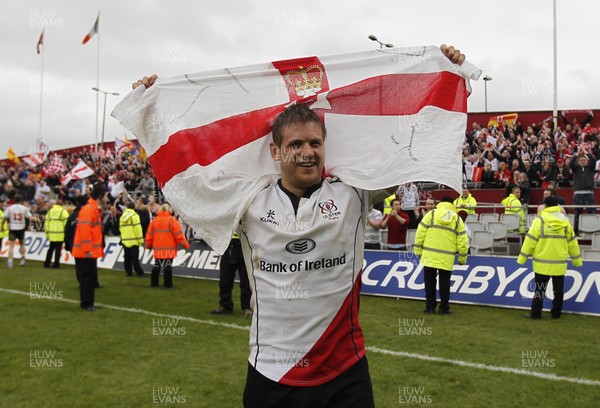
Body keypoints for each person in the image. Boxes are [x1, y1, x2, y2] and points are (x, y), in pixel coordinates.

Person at [133, 44, 467, 408]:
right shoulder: (247, 200)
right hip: (272, 374)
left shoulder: (355, 192)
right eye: (295, 144)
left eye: (314, 142)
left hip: (345, 373)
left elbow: (408, 147)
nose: (306, 151)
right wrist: (150, 110)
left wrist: (444, 73)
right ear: (276, 152)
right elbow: (185, 170)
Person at [517, 196, 582, 319]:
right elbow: (572, 242)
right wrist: (577, 261)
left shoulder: (539, 220)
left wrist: (522, 258)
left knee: (540, 290)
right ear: (557, 206)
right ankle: (556, 313)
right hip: (559, 263)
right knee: (558, 290)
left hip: (542, 263)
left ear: (545, 206)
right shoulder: (565, 221)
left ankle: (536, 314)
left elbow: (530, 241)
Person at [414, 196, 469, 315]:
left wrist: (418, 250)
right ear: (452, 204)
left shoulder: (431, 214)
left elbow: (420, 232)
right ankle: (444, 307)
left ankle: (430, 307)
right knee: (444, 283)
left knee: (429, 282)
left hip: (430, 255)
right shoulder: (457, 219)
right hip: (447, 257)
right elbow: (463, 241)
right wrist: (462, 258)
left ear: (440, 203)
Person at [72, 185, 107, 312]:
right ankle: (87, 303)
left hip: (88, 251)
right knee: (87, 278)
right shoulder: (89, 209)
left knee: (90, 278)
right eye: (105, 196)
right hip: (85, 251)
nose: (107, 198)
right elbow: (84, 231)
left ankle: (88, 302)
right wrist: (87, 250)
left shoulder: (92, 209)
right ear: (100, 196)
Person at [145, 203, 189, 288]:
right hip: (169, 249)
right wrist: (186, 245)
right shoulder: (172, 221)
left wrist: (148, 246)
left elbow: (149, 235)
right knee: (167, 266)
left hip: (158, 249)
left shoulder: (154, 221)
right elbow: (179, 236)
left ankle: (154, 283)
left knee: (157, 265)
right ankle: (168, 284)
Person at [210, 234, 252, 317]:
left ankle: (247, 307)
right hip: (228, 243)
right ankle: (225, 305)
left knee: (246, 280)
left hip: (245, 242)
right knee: (225, 278)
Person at [570, 146, 596, 233]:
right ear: (578, 162)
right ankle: (576, 231)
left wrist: (585, 152)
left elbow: (593, 160)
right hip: (578, 194)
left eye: (584, 160)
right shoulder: (576, 169)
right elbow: (571, 163)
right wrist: (577, 154)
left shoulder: (591, 168)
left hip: (589, 193)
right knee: (577, 213)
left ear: (587, 161)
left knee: (591, 213)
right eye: (581, 160)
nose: (583, 161)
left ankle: (592, 230)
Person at [4, 195, 31, 268]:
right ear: (21, 201)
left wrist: (2, 226)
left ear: (14, 200)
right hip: (21, 228)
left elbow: (5, 217)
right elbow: (29, 217)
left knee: (11, 246)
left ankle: (10, 261)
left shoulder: (9, 208)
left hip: (12, 228)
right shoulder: (25, 208)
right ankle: (22, 258)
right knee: (22, 244)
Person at [119, 201, 145, 277]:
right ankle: (139, 272)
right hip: (134, 240)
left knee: (127, 258)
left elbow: (121, 228)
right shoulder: (135, 216)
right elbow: (137, 228)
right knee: (134, 258)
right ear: (134, 208)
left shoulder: (122, 217)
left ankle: (128, 272)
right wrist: (140, 240)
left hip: (125, 240)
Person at [43, 199, 69, 268]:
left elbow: (46, 222)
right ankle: (56, 264)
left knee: (51, 249)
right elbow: (66, 222)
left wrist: (47, 232)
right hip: (60, 233)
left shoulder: (50, 211)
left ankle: (47, 263)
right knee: (58, 249)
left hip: (51, 233)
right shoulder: (63, 211)